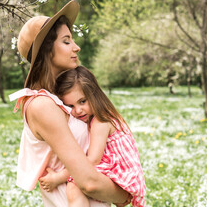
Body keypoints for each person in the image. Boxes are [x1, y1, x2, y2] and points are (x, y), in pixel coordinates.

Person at [9, 0, 132, 206]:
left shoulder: (62, 100)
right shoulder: (42, 106)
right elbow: (89, 183)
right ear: (47, 50)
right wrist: (126, 195)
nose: (76, 47)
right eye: (66, 41)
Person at [38, 66, 147, 207]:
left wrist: (59, 177)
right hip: (119, 171)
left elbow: (93, 161)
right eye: (70, 106)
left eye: (82, 101)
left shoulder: (101, 121)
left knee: (74, 187)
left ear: (94, 95)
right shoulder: (100, 117)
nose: (78, 110)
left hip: (122, 173)